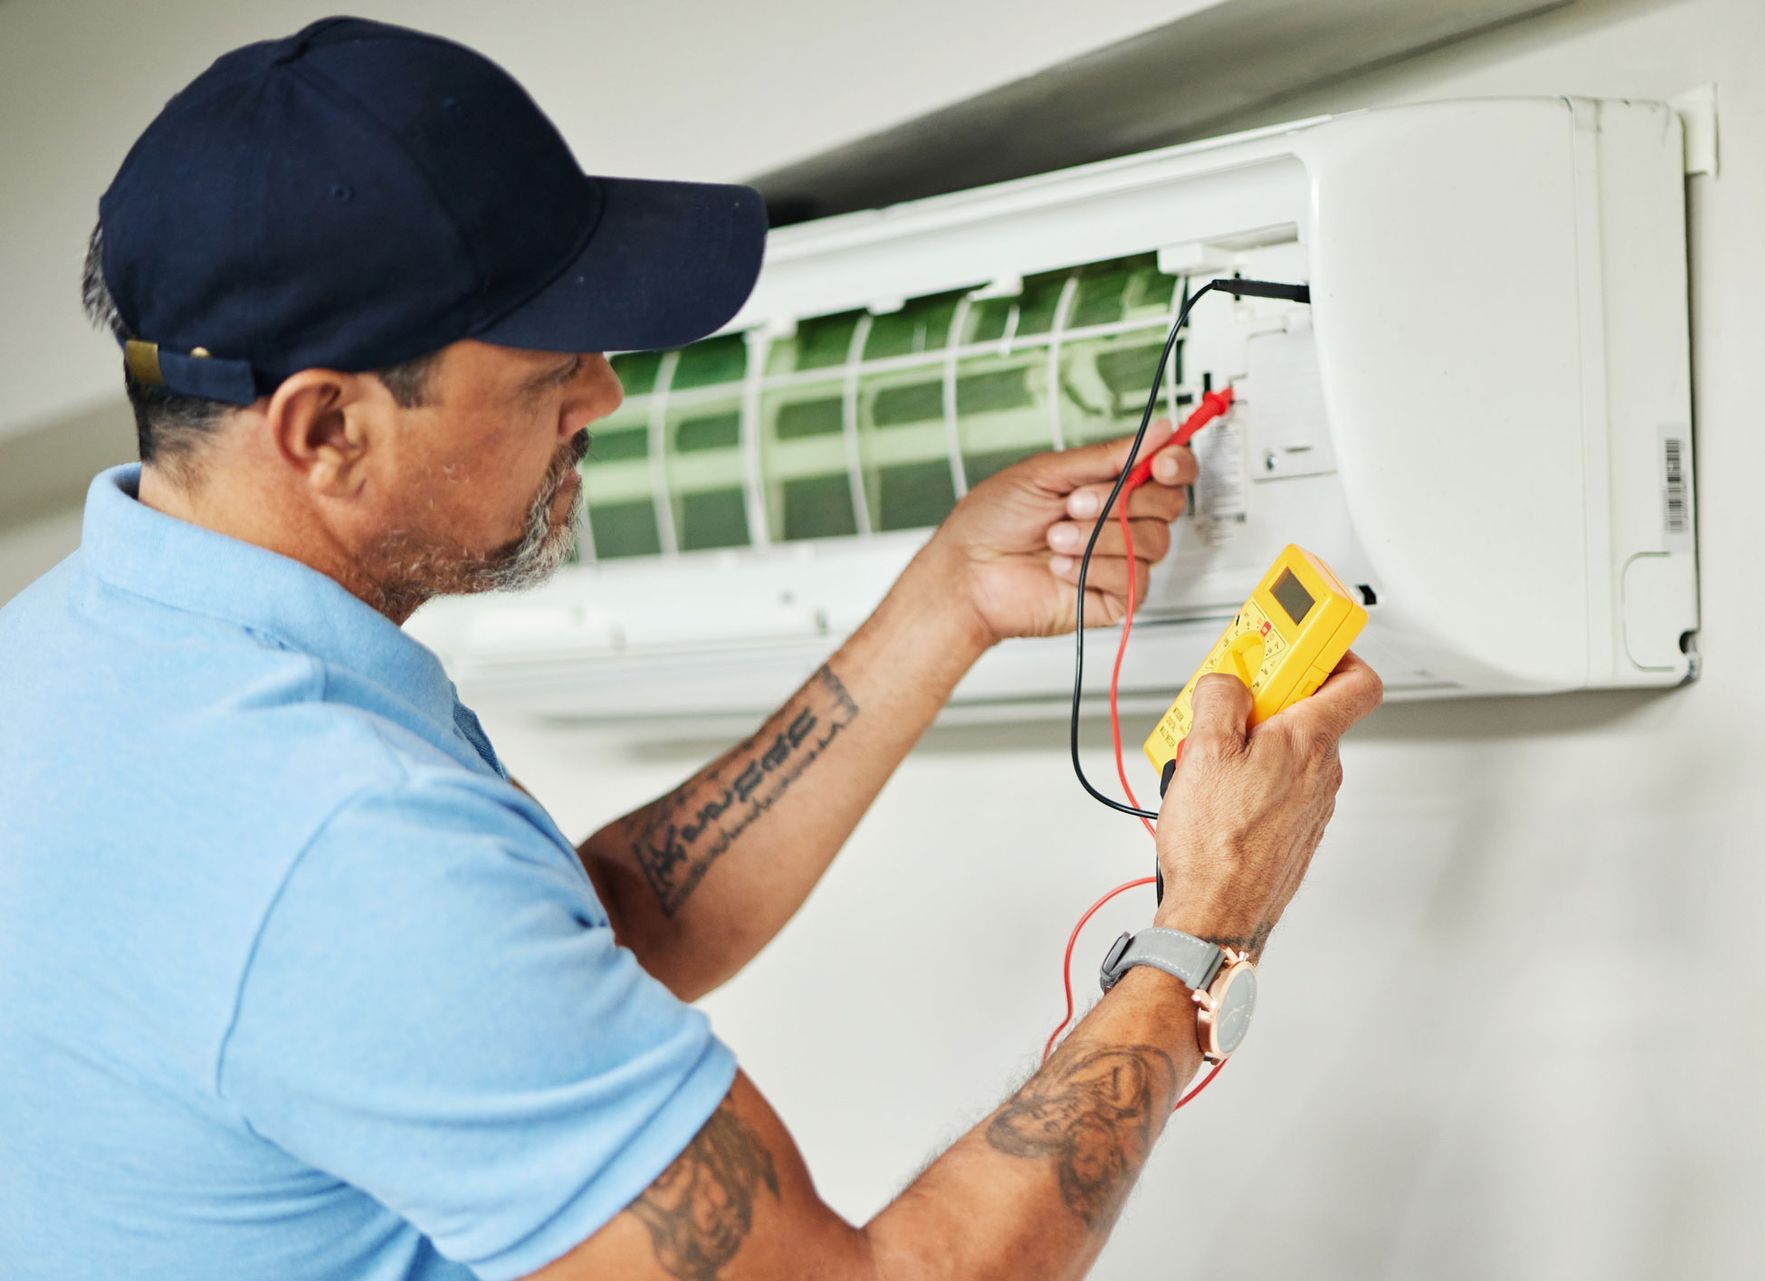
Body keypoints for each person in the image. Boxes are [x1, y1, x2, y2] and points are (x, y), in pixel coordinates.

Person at [0, 17, 1381, 1281]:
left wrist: (944, 601)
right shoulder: (338, 843)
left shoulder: (81, 665)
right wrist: (1202, 935)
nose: (601, 386)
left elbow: (575, 935)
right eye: (549, 361)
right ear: (326, 430)